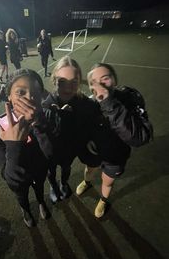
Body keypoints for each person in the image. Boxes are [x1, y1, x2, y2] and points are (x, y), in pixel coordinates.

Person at [76, 63, 153, 218]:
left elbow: (141, 137)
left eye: (105, 79)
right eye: (95, 83)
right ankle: (88, 182)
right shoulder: (91, 103)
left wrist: (109, 103)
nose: (101, 85)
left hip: (115, 156)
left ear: (115, 79)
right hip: (95, 153)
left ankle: (104, 200)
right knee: (89, 170)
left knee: (107, 181)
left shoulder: (130, 99)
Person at [0, 69, 53, 228]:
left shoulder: (45, 119)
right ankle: (26, 210)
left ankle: (41, 202)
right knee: (21, 195)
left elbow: (51, 156)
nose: (30, 97)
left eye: (35, 92)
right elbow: (12, 181)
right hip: (20, 182)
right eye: (21, 92)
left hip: (40, 170)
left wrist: (39, 126)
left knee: (39, 188)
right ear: (9, 96)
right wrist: (14, 143)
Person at [42, 56, 101, 204]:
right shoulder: (47, 105)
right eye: (62, 82)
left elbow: (92, 124)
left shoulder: (85, 104)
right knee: (51, 170)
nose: (68, 88)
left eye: (74, 82)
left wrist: (90, 139)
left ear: (79, 81)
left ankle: (63, 183)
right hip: (51, 151)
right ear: (54, 80)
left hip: (70, 150)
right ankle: (53, 185)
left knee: (66, 167)